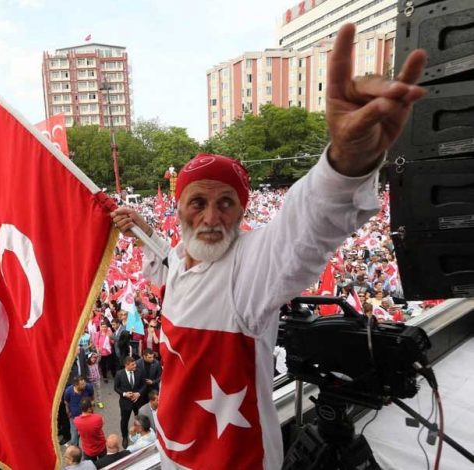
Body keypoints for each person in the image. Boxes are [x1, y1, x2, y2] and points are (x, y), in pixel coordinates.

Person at [110, 23, 427, 469]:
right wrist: (143, 230)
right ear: (178, 208)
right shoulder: (181, 260)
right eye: (196, 203)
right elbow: (167, 264)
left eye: (227, 203)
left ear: (243, 212)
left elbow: (304, 228)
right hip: (172, 448)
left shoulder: (250, 267)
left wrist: (346, 164)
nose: (211, 218)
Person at [112, 357, 145, 449]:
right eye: (133, 365)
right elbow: (116, 388)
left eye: (135, 364)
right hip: (125, 403)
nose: (135, 366)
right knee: (124, 421)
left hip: (137, 402)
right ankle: (125, 437)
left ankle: (140, 434)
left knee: (139, 419)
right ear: (126, 365)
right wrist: (124, 394)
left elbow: (144, 385)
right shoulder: (119, 374)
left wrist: (138, 393)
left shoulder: (139, 372)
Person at [62, 376, 94, 447]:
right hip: (74, 418)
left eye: (84, 383)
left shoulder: (88, 387)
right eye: (82, 384)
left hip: (87, 416)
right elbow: (66, 402)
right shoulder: (68, 391)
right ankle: (76, 452)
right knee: (74, 437)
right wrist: (68, 412)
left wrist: (91, 407)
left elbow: (92, 398)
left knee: (89, 435)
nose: (84, 385)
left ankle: (90, 449)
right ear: (76, 385)